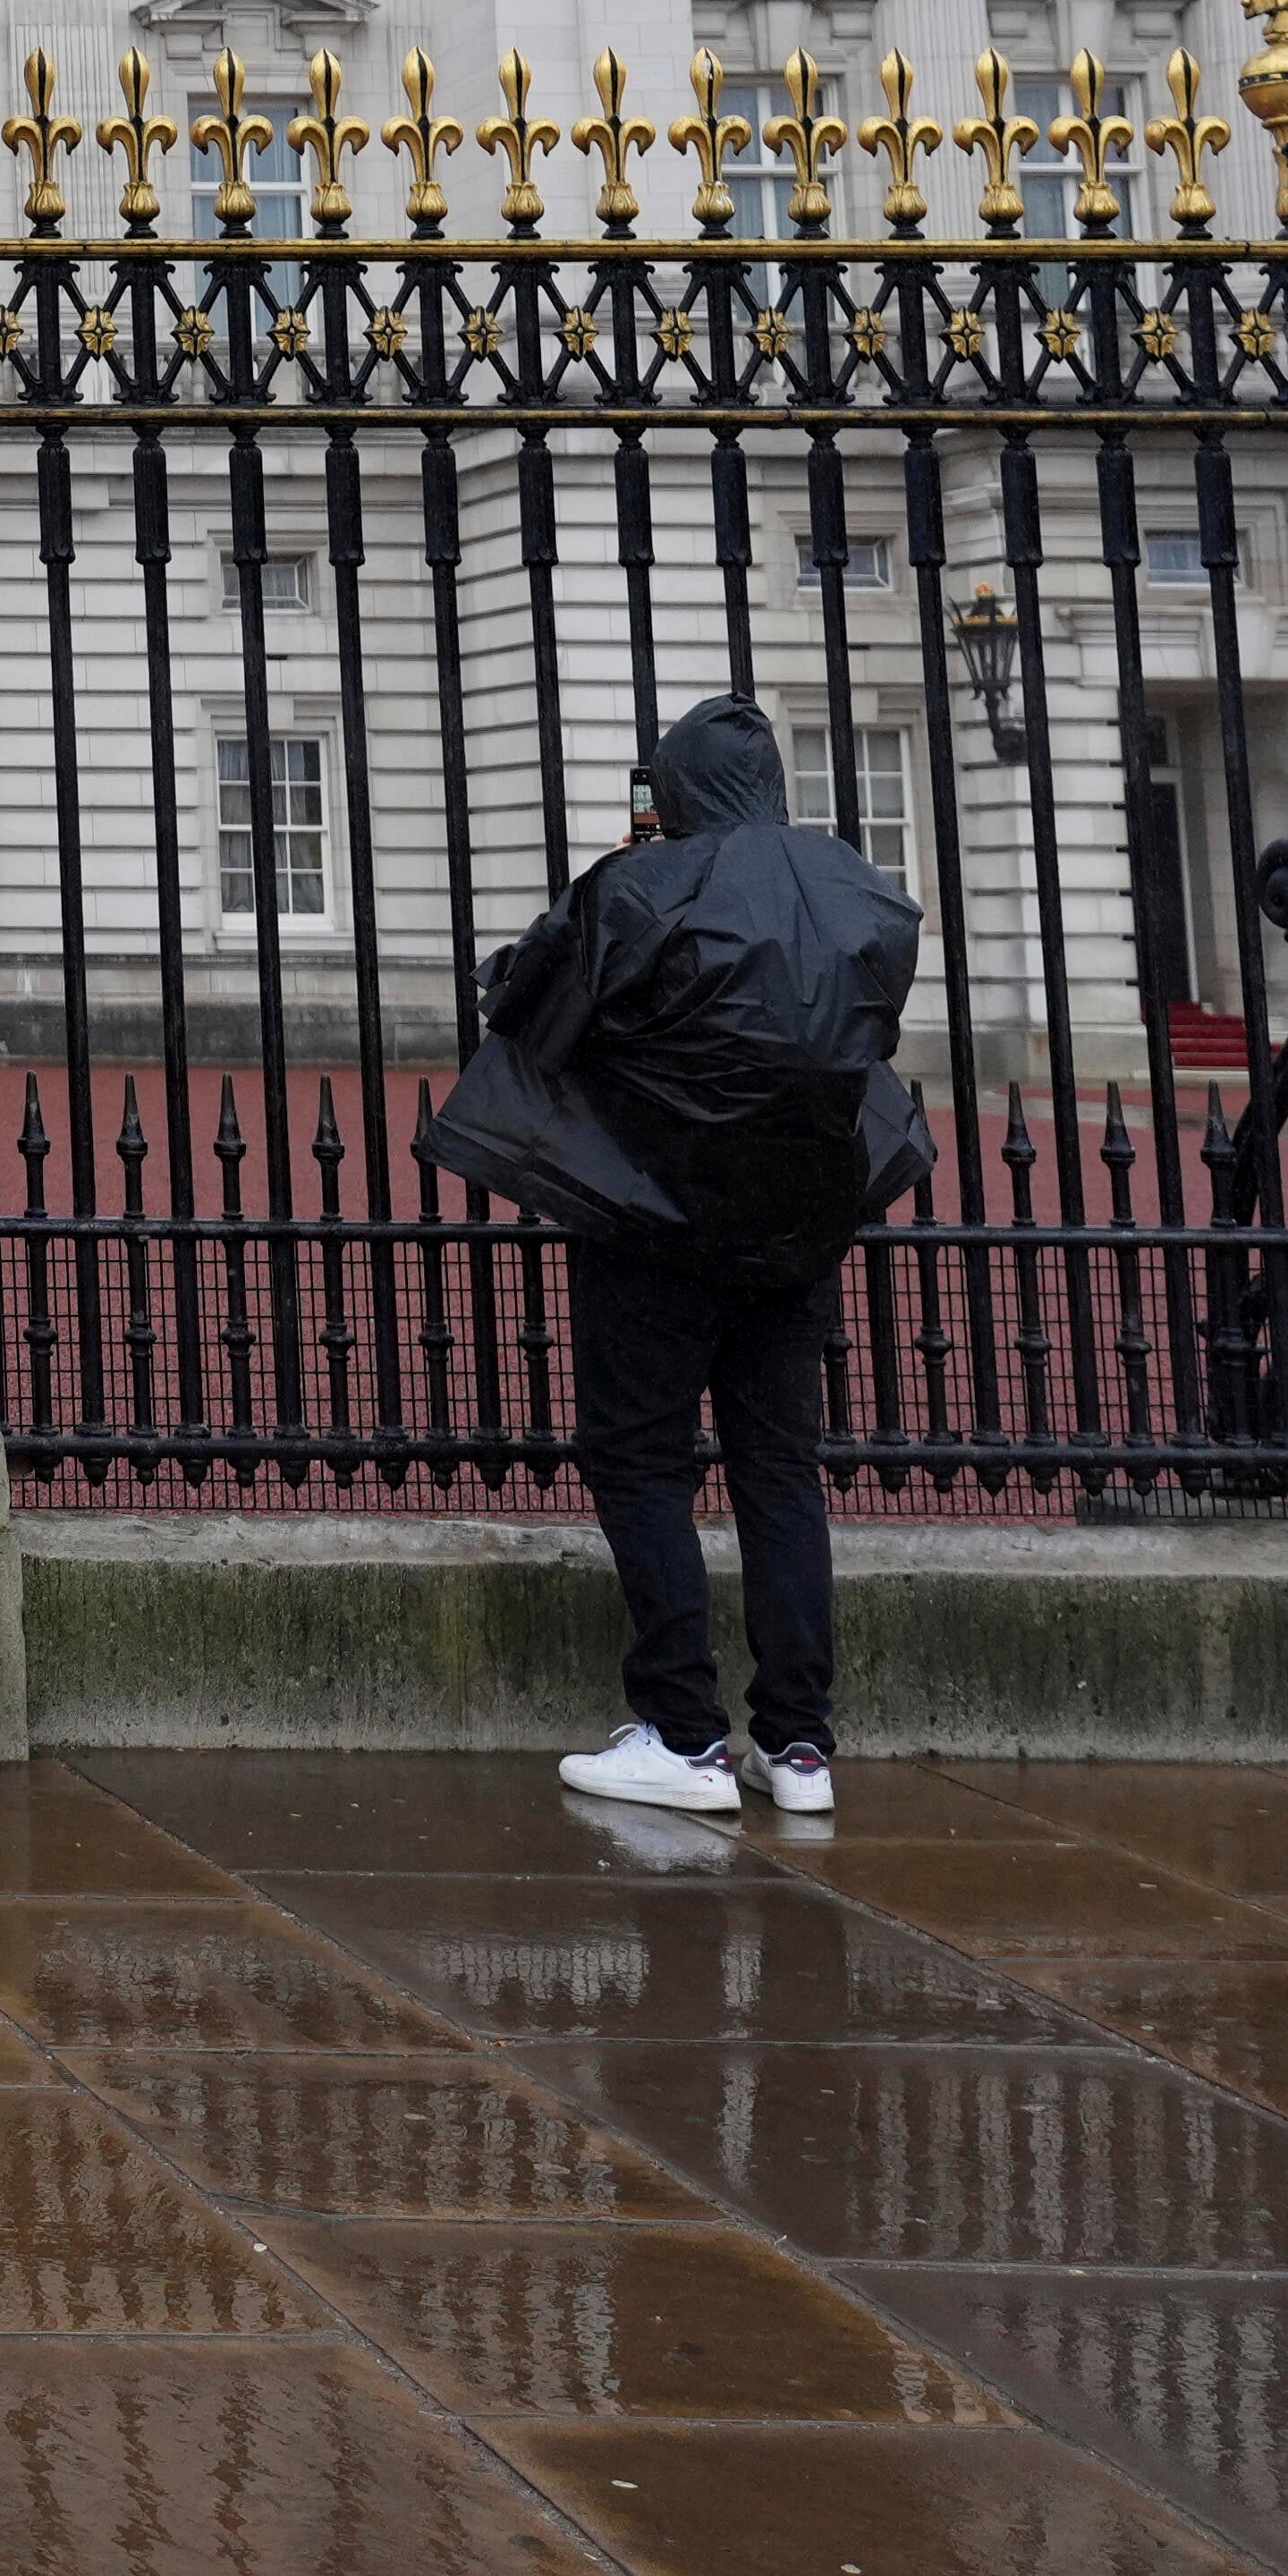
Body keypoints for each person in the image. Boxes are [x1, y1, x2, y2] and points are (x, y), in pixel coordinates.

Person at [427, 691, 924, 1823]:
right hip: (798, 1226)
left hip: (651, 1218)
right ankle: (798, 1748)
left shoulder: (639, 886)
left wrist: (611, 890)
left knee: (642, 1459)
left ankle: (686, 1734)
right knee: (778, 1471)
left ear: (673, 788)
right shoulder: (857, 887)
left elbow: (522, 1004)